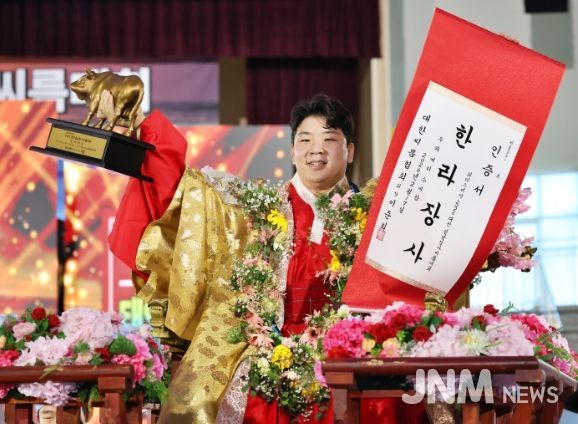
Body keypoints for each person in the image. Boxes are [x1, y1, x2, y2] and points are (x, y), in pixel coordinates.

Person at [108, 93, 424, 424]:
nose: (316, 149)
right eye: (305, 140)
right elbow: (184, 192)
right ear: (293, 151)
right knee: (199, 400)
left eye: (329, 140)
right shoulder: (255, 208)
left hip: (350, 344)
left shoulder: (377, 213)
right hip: (262, 343)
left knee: (394, 395)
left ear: (350, 151)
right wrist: (142, 127)